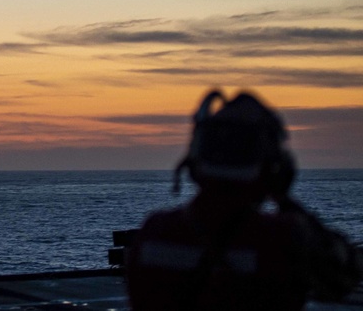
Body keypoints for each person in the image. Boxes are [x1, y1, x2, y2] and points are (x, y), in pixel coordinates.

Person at [126, 90, 362, 311]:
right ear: (274, 170)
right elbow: (344, 276)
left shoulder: (154, 233)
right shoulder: (284, 237)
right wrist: (284, 199)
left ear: (195, 162)